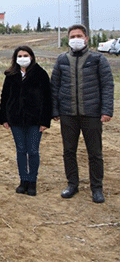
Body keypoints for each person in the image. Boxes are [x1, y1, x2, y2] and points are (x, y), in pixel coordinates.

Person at [51, 24, 114, 203]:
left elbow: (107, 85)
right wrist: (55, 110)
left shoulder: (97, 59)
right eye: (72, 36)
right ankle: (72, 184)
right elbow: (54, 86)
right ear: (68, 39)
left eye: (79, 35)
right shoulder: (62, 60)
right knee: (68, 151)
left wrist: (106, 110)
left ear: (86, 38)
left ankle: (97, 188)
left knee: (95, 153)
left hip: (92, 114)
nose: (76, 39)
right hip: (68, 114)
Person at [0, 46, 51, 196]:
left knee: (33, 151)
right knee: (21, 150)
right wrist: (4, 118)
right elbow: (4, 97)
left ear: (32, 57)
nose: (23, 58)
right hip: (15, 120)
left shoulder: (40, 74)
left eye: (25, 55)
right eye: (19, 55)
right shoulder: (11, 75)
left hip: (35, 121)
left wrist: (44, 121)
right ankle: (23, 180)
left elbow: (47, 99)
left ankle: (32, 181)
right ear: (15, 58)